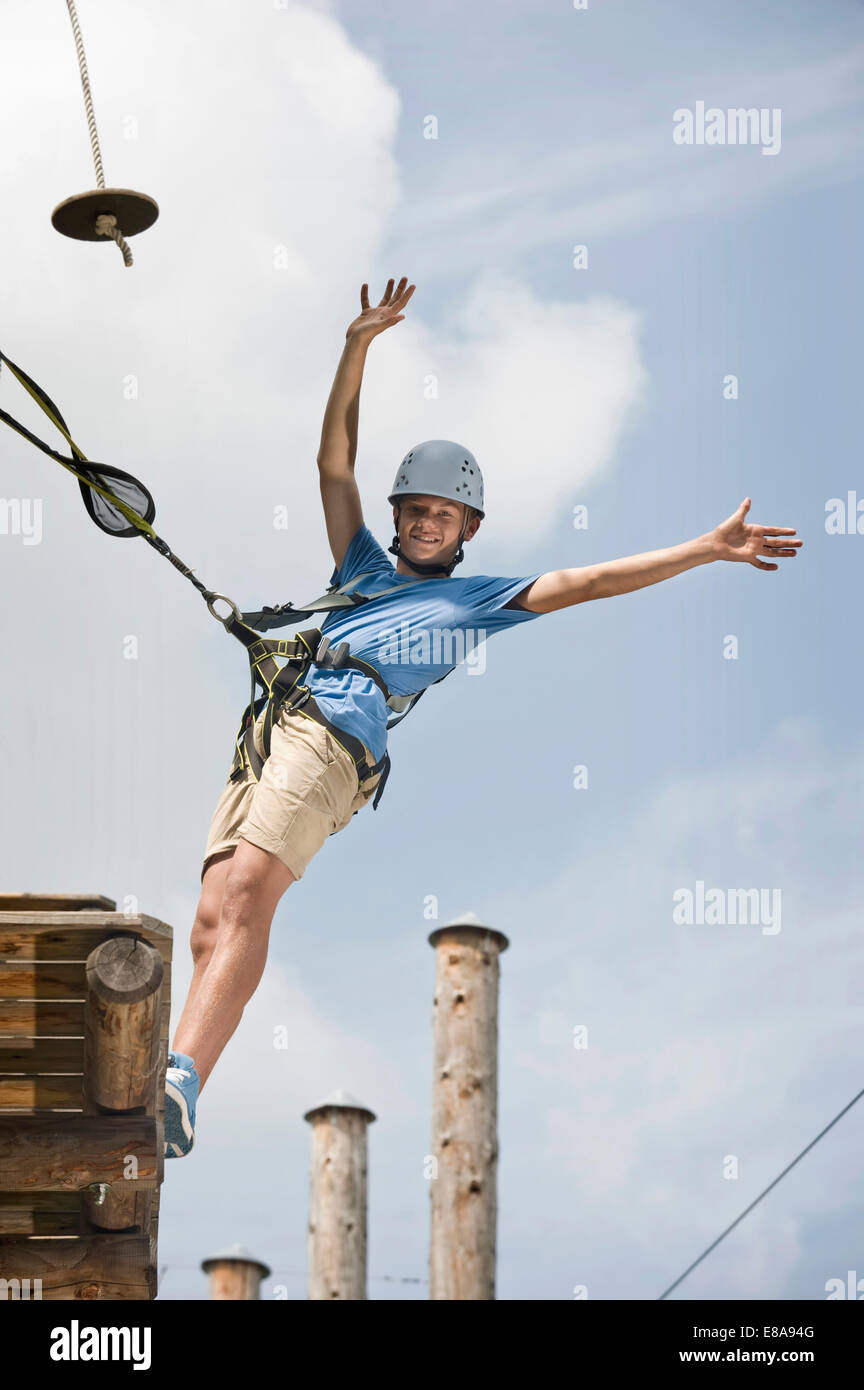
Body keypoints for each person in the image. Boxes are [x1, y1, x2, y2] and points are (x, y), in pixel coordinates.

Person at [164, 277, 802, 1157]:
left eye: (444, 514)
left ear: (468, 527)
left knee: (244, 898)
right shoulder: (360, 567)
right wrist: (358, 347)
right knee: (209, 919)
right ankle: (177, 1081)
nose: (427, 523)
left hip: (333, 741)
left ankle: (182, 1078)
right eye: (416, 510)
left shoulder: (479, 600)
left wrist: (704, 548)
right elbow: (333, 465)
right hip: (271, 733)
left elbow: (589, 581)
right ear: (398, 518)